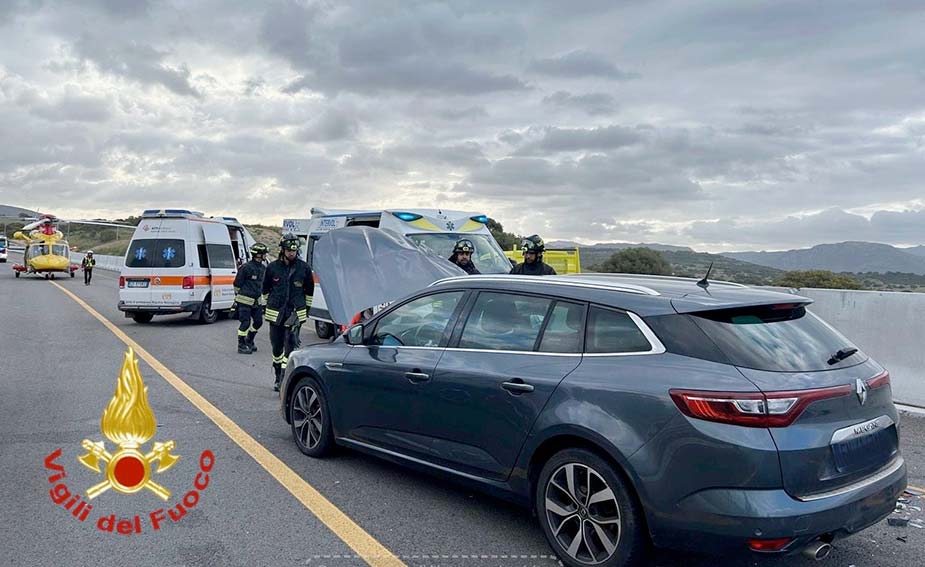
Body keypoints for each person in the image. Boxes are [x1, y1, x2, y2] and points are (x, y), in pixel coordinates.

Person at [263, 233, 313, 391]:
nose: (292, 253)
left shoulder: (304, 268)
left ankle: (284, 379)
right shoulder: (272, 268)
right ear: (282, 250)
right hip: (276, 314)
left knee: (290, 346)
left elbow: (309, 293)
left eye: (294, 250)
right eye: (288, 250)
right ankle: (277, 374)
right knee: (277, 347)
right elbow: (264, 290)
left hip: (295, 314)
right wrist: (266, 307)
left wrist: (305, 312)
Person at [234, 242, 269, 355]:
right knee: (245, 323)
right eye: (264, 253)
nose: (265, 255)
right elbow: (237, 284)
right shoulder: (246, 267)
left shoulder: (263, 268)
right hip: (244, 301)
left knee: (258, 322)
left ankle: (249, 339)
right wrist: (240, 296)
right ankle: (241, 345)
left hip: (257, 301)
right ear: (258, 255)